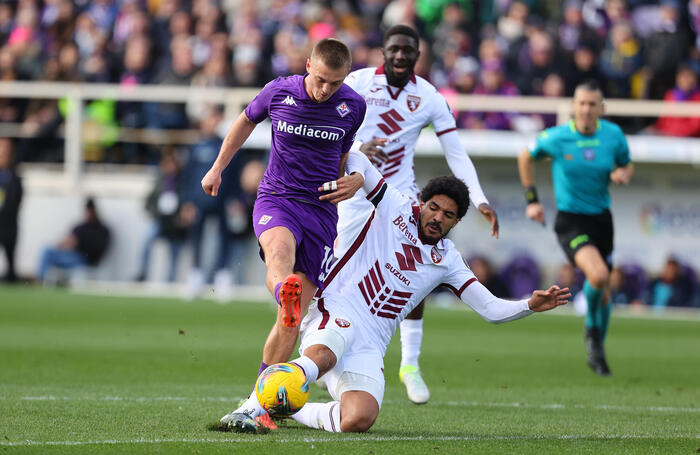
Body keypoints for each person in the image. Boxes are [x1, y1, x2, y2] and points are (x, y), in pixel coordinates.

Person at [220, 157, 570, 434]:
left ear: (456, 222)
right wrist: (357, 175)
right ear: (422, 202)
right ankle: (254, 405)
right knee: (326, 352)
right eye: (434, 207)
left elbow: (491, 309)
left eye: (448, 215)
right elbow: (356, 157)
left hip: (372, 343)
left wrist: (530, 306)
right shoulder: (394, 204)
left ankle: (288, 407)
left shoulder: (448, 260)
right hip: (335, 309)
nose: (437, 217)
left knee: (359, 419)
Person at [201, 38, 366, 407]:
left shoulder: (353, 106)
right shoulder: (279, 91)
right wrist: (217, 168)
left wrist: (350, 181)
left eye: (335, 83)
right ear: (308, 65)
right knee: (279, 252)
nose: (326, 90)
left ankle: (258, 403)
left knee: (289, 323)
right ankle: (283, 293)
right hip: (278, 197)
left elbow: (343, 154)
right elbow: (244, 121)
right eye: (321, 79)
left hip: (322, 210)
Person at [339, 25, 499, 405]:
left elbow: (456, 153)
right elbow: (331, 126)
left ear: (416, 56)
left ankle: (409, 363)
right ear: (383, 50)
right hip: (357, 189)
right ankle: (326, 348)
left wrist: (478, 199)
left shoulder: (429, 97)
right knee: (338, 270)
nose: (399, 56)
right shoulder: (357, 82)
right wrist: (360, 145)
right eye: (393, 49)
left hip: (400, 196)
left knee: (417, 268)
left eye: (407, 51)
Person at [517, 80, 634, 376]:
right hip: (570, 221)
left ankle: (598, 349)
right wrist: (532, 200)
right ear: (573, 106)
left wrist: (623, 172)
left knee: (604, 290)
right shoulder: (556, 137)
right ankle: (592, 333)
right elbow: (525, 156)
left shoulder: (613, 135)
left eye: (592, 104)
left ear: (601, 108)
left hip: (601, 220)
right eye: (581, 103)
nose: (585, 109)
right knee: (598, 274)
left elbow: (626, 163)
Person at [37, 197, 111, 283]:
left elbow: (97, 250)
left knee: (48, 252)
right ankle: (42, 279)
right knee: (47, 249)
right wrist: (64, 245)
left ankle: (41, 280)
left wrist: (79, 243)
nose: (89, 213)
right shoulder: (79, 227)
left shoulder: (101, 229)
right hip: (71, 255)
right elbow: (67, 241)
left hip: (85, 259)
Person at [0, 138, 23, 282]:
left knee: (10, 260)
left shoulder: (14, 177)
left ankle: (11, 277)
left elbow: (17, 199)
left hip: (8, 224)